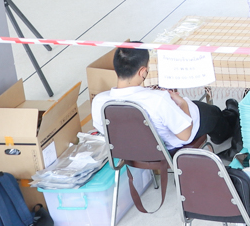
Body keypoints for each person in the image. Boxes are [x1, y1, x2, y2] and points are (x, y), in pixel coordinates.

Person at [92, 47, 240, 150]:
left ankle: (229, 115)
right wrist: (183, 104)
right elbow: (185, 135)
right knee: (213, 113)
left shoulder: (99, 102)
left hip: (134, 148)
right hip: (169, 144)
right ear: (142, 72)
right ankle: (230, 122)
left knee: (211, 112)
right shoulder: (158, 100)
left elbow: (106, 131)